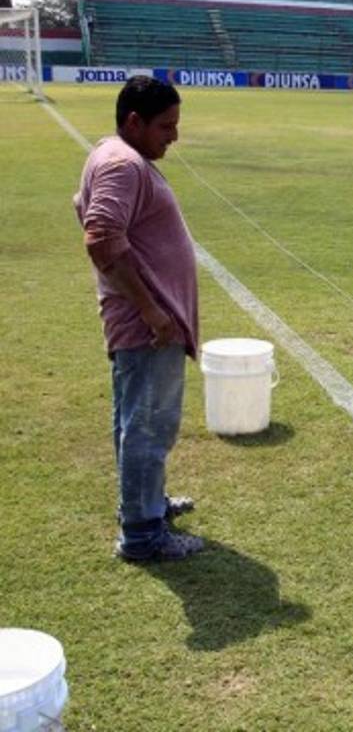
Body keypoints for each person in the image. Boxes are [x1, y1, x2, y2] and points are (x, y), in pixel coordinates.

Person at [73, 76, 203, 562]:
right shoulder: (123, 164)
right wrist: (150, 309)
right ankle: (144, 534)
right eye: (166, 126)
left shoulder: (114, 155)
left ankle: (145, 505)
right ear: (134, 122)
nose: (173, 136)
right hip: (149, 328)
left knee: (136, 421)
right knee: (148, 424)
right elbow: (100, 236)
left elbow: (81, 212)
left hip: (146, 322)